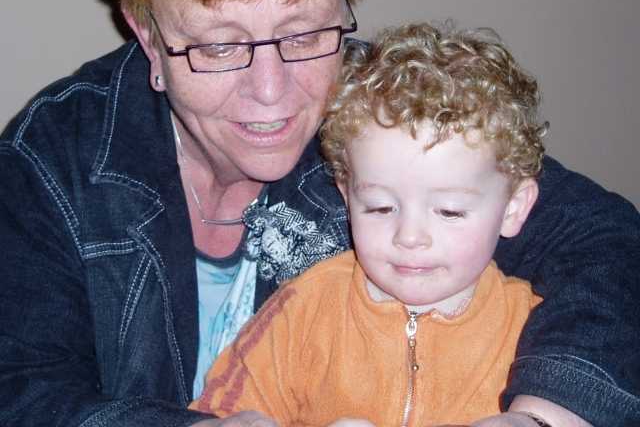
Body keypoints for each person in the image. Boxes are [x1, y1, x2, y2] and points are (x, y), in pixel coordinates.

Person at [0, 0, 638, 427]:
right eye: (219, 46)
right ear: (148, 35)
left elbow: (606, 243)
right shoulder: (52, 162)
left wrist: (543, 418)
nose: (271, 92)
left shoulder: (383, 113)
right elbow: (20, 387)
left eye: (304, 35)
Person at [191, 21, 551, 426]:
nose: (409, 237)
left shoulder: (536, 329)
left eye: (449, 211)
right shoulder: (304, 308)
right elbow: (218, 411)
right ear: (347, 195)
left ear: (513, 208)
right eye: (380, 208)